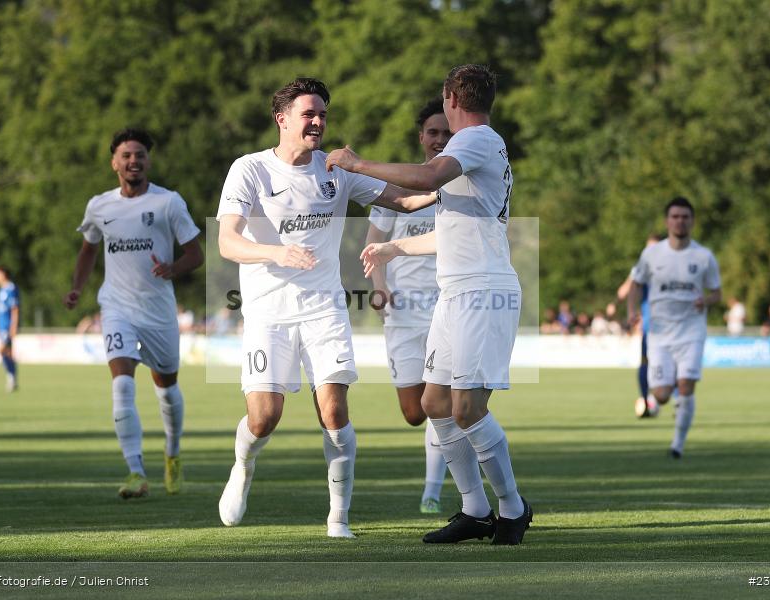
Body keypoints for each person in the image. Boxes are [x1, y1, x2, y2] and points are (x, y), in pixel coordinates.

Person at [216, 77, 435, 538]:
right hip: (267, 312)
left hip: (324, 309)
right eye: (308, 114)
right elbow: (228, 241)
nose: (318, 122)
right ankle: (243, 465)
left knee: (334, 413)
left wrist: (459, 179)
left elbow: (410, 201)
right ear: (282, 119)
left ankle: (338, 518)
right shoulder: (249, 170)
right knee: (265, 417)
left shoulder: (336, 168)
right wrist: (277, 253)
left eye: (322, 115)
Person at [327, 64, 533, 545]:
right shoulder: (477, 148)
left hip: (482, 290)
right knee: (434, 402)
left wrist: (357, 163)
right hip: (457, 290)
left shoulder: (475, 140)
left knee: (467, 408)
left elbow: (423, 178)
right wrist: (392, 248)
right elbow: (453, 230)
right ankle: (474, 510)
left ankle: (513, 509)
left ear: (450, 98)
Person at [63, 128, 204, 499]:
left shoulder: (168, 203)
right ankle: (135, 471)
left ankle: (172, 453)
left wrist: (172, 269)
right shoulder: (100, 206)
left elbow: (196, 254)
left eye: (140, 154)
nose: (133, 161)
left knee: (167, 388)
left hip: (158, 311)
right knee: (122, 383)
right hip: (116, 306)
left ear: (148, 161)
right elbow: (88, 249)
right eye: (126, 155)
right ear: (114, 163)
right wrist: (78, 286)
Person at [365, 97, 451, 514]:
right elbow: (372, 245)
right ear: (421, 138)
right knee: (414, 412)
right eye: (433, 132)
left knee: (439, 403)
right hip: (401, 314)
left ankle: (431, 492)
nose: (439, 139)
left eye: (446, 133)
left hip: (445, 310)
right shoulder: (397, 189)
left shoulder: (463, 183)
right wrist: (379, 288)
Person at [627, 197, 721, 459]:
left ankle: (677, 445)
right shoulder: (652, 254)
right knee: (663, 393)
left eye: (685, 216)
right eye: (675, 216)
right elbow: (635, 284)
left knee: (687, 384)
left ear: (692, 221)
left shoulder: (703, 257)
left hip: (691, 331)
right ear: (667, 221)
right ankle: (659, 401)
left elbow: (717, 293)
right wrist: (632, 312)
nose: (680, 221)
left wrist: (707, 300)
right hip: (659, 334)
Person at [617, 234, 661, 417]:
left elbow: (624, 291)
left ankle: (669, 401)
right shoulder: (641, 268)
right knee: (645, 363)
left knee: (668, 365)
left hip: (672, 326)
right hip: (651, 325)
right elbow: (626, 290)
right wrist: (631, 312)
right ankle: (645, 400)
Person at [0, 266, 20, 392]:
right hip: (2, 327)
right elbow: (1, 311)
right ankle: (12, 378)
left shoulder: (10, 288)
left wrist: (13, 327)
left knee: (1, 350)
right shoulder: (1, 290)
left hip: (8, 327)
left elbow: (14, 309)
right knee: (8, 353)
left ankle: (11, 376)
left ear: (3, 274)